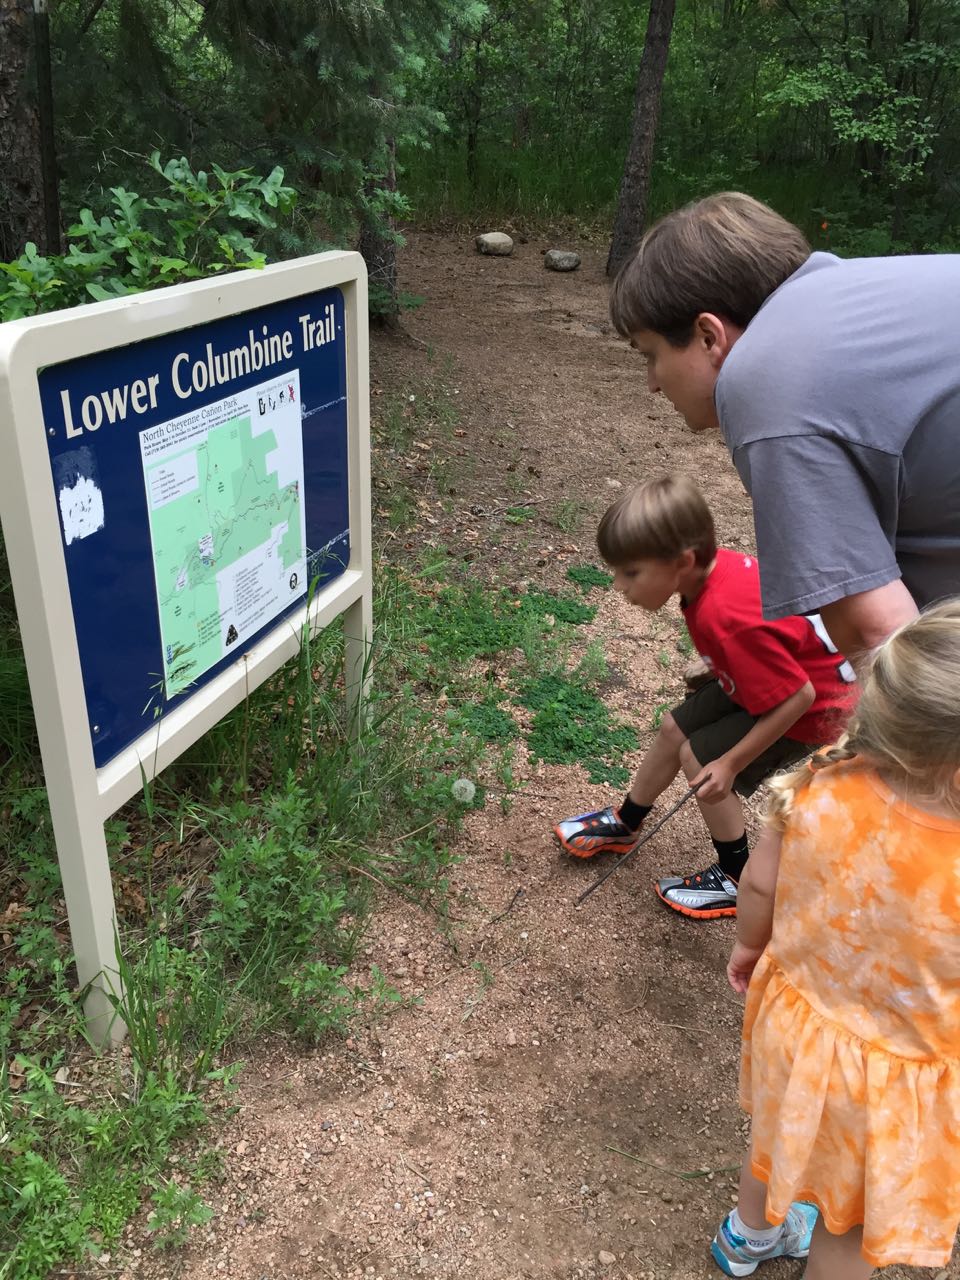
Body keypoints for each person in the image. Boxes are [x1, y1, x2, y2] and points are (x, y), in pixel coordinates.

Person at [711, 600, 960, 1278]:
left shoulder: (825, 776)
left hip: (799, 1028)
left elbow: (759, 885)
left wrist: (748, 947)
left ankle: (746, 1238)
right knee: (850, 1222)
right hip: (894, 1080)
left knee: (776, 1136)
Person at [608, 192, 960, 661]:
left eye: (651, 355)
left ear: (709, 336)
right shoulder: (848, 296)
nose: (652, 383)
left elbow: (881, 637)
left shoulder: (767, 376)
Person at [554, 474, 853, 919]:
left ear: (683, 561)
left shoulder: (723, 615)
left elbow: (800, 696)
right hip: (766, 677)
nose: (619, 585)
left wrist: (729, 764)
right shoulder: (710, 578)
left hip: (810, 709)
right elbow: (768, 638)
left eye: (631, 573)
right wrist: (719, 666)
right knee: (674, 727)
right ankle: (627, 821)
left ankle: (734, 875)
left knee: (701, 757)